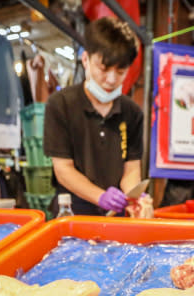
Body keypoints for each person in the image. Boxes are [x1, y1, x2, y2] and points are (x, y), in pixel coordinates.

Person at [42, 17, 143, 215]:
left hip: (116, 215)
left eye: (120, 71)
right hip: (72, 212)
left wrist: (133, 196)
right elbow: (63, 169)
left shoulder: (132, 112)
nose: (111, 79)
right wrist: (100, 196)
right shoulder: (60, 104)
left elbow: (131, 168)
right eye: (103, 69)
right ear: (86, 59)